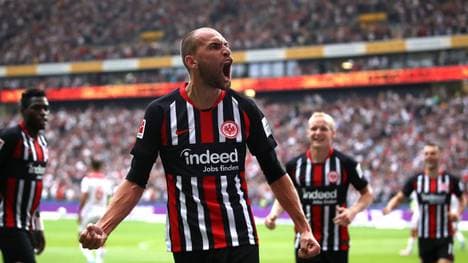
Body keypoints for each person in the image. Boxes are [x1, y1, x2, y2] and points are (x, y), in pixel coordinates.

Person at [79, 27, 320, 263]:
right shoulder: (161, 113)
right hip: (189, 244)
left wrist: (303, 229)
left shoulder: (244, 109)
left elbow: (275, 173)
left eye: (227, 46)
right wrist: (104, 227)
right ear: (191, 61)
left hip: (241, 239)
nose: (227, 52)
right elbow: (135, 180)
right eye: (215, 47)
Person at [264, 112, 374, 263]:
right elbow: (285, 194)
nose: (318, 133)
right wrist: (274, 214)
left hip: (336, 245)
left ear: (333, 133)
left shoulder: (347, 164)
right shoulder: (294, 166)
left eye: (323, 129)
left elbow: (367, 193)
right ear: (308, 132)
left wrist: (352, 211)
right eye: (314, 128)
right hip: (305, 243)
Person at [383, 143, 466, 263]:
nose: (429, 156)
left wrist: (457, 213)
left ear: (439, 156)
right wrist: (389, 207)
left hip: (445, 235)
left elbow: (462, 199)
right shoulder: (416, 180)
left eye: (433, 153)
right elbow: (400, 197)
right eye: (426, 154)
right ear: (423, 156)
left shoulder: (450, 180)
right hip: (424, 236)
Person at [0, 88, 50, 262]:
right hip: (7, 222)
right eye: (37, 108)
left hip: (26, 225)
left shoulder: (43, 143)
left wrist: (38, 227)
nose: (43, 113)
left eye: (45, 108)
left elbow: (35, 189)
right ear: (23, 111)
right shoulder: (10, 137)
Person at [78, 158, 113, 263]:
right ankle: (99, 260)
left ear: (91, 166)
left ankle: (90, 259)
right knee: (101, 237)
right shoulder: (106, 181)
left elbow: (84, 195)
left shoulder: (87, 180)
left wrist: (80, 211)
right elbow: (108, 198)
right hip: (102, 212)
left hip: (89, 212)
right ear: (101, 166)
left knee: (81, 236)